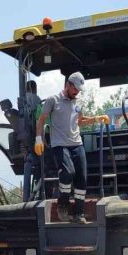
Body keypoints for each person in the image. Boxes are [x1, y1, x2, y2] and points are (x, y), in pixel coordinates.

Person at [34, 72, 109, 223]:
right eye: (75, 89)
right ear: (68, 85)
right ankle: (62, 204)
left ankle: (78, 214)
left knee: (82, 177)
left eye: (79, 90)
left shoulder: (78, 102)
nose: (77, 92)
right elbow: (41, 120)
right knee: (68, 172)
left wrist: (96, 118)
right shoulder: (53, 100)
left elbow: (79, 121)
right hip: (60, 145)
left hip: (77, 144)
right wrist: (38, 139)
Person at [22, 80, 43, 202]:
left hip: (30, 141)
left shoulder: (23, 100)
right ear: (34, 88)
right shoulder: (36, 99)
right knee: (42, 167)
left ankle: (31, 195)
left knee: (36, 170)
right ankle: (35, 193)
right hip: (37, 138)